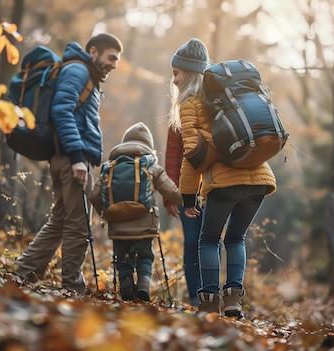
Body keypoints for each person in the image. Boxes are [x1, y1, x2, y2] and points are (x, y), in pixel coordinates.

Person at [169, 38, 277, 319]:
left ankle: (208, 304)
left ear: (188, 73)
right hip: (259, 181)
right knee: (236, 238)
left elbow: (192, 155)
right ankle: (233, 301)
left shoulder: (191, 104)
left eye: (176, 73)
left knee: (208, 240)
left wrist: (188, 197)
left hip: (225, 184)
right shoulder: (228, 98)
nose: (174, 79)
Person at [15, 33, 123, 294]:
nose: (114, 65)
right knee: (78, 225)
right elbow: (61, 111)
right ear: (94, 51)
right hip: (72, 158)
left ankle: (24, 272)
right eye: (111, 58)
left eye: (117, 61)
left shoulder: (84, 74)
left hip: (66, 157)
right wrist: (77, 157)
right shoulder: (78, 70)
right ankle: (71, 286)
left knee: (61, 220)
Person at [90, 122, 182, 302]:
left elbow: (94, 195)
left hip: (118, 225)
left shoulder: (110, 166)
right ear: (149, 145)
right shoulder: (150, 164)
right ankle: (143, 285)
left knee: (122, 256)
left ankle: (125, 284)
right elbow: (170, 190)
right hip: (145, 222)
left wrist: (106, 213)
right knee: (145, 254)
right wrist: (188, 201)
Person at [163, 123, 203, 306]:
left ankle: (210, 293)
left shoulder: (213, 107)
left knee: (211, 240)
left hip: (213, 188)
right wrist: (169, 195)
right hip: (185, 190)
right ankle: (195, 295)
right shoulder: (176, 120)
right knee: (192, 239)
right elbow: (172, 157)